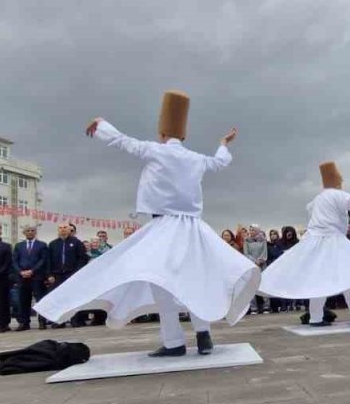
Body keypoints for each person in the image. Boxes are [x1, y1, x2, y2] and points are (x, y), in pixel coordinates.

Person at [38, 90, 259, 357]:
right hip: (193, 229)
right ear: (183, 135)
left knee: (161, 285)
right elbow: (219, 163)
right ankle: (203, 335)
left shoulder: (156, 150)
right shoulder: (196, 159)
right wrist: (224, 143)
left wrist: (101, 124)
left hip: (165, 227)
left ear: (162, 133)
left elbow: (122, 141)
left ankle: (174, 342)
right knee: (196, 279)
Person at [260, 164, 350, 327]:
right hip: (334, 242)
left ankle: (315, 318)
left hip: (315, 242)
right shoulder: (337, 194)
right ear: (337, 181)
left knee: (319, 281)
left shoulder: (317, 199)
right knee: (349, 280)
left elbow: (311, 211)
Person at [46, 222, 89, 328]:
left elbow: (82, 259)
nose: (63, 229)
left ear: (70, 230)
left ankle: (75, 320)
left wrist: (76, 273)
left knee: (73, 298)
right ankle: (60, 321)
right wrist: (49, 275)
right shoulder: (53, 244)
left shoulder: (77, 243)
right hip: (57, 275)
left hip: (72, 274)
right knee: (59, 298)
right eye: (60, 228)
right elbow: (48, 261)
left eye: (65, 227)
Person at [13, 225, 48, 330]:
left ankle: (42, 322)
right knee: (23, 300)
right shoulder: (19, 245)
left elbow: (43, 260)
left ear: (35, 232)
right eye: (28, 230)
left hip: (37, 276)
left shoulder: (42, 245)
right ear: (24, 233)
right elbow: (14, 260)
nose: (30, 232)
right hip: (22, 277)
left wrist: (32, 271)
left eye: (32, 230)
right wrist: (20, 272)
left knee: (40, 300)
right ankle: (24, 323)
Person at [242, 225, 268, 314]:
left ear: (257, 230)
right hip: (251, 265)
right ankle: (253, 307)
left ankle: (266, 306)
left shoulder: (263, 240)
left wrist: (260, 260)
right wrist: (253, 261)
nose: (251, 231)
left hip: (262, 265)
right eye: (250, 230)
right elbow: (246, 253)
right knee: (252, 286)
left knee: (263, 285)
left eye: (253, 230)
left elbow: (264, 252)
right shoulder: (246, 240)